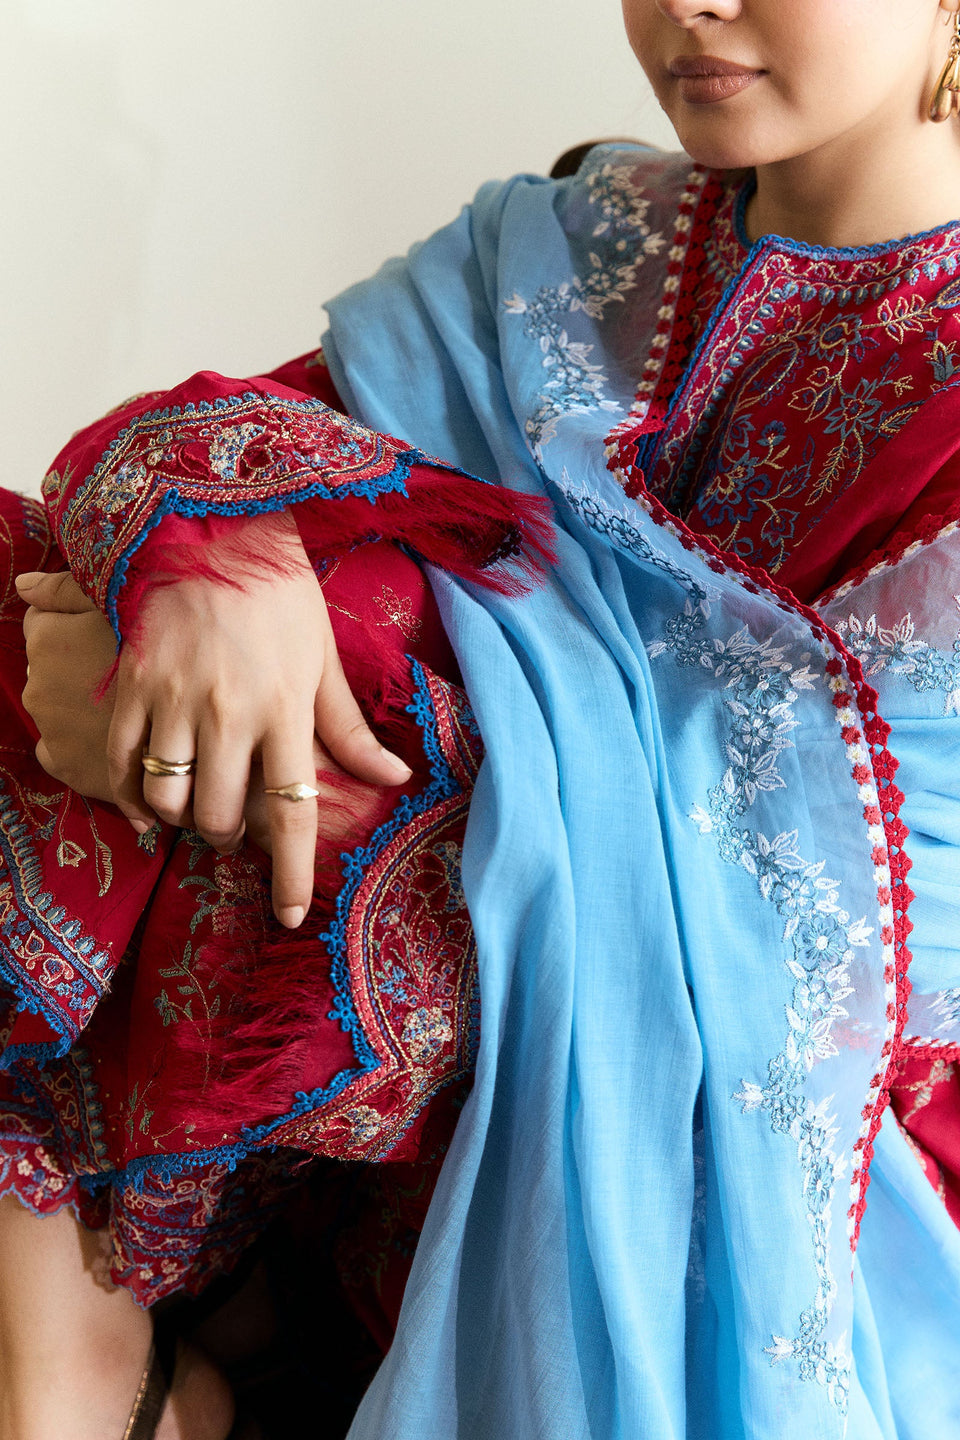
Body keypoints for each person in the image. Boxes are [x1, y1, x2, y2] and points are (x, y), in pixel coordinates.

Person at [3, 0, 960, 1435]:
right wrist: (221, 576)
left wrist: (288, 721)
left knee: (362, 665)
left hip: (796, 1106)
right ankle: (67, 1342)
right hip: (448, 1003)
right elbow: (211, 444)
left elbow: (858, 912)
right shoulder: (579, 243)